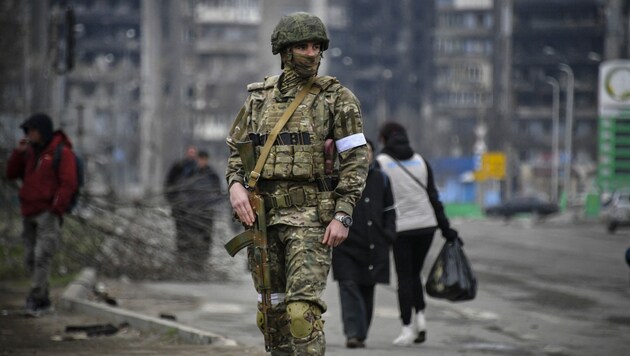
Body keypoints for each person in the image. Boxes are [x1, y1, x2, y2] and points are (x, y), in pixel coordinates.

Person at [226, 12, 369, 355]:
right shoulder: (259, 98)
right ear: (284, 51)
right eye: (303, 46)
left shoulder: (337, 98)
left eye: (316, 46)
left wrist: (343, 214)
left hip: (311, 221)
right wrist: (235, 185)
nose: (311, 52)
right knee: (271, 314)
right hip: (264, 221)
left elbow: (357, 161)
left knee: (301, 314)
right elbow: (237, 154)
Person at [375, 122, 460, 346]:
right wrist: (446, 229)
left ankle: (406, 328)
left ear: (383, 139)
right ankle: (421, 320)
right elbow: (434, 197)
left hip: (401, 228)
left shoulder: (382, 163)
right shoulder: (421, 161)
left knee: (404, 277)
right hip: (426, 226)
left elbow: (378, 199)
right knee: (415, 275)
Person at [6, 113, 78, 314]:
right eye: (27, 131)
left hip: (48, 213)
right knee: (29, 257)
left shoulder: (61, 153)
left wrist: (56, 207)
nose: (29, 134)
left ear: (42, 131)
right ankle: (43, 299)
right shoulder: (29, 153)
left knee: (42, 256)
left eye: (33, 130)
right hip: (29, 212)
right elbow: (11, 173)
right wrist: (18, 153)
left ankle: (35, 298)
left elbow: (68, 183)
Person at [331, 139, 396, 349]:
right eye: (360, 151)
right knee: (348, 285)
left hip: (374, 245)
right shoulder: (340, 177)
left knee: (367, 288)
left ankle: (361, 333)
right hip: (346, 244)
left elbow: (390, 211)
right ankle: (353, 333)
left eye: (368, 151)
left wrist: (388, 234)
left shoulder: (382, 179)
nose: (364, 155)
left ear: (373, 154)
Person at [183, 150, 222, 272]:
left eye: (204, 159)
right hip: (193, 210)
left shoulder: (212, 174)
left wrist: (211, 204)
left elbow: (218, 192)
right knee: (192, 236)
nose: (202, 161)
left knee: (206, 237)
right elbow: (184, 190)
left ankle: (202, 262)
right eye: (200, 159)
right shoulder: (191, 173)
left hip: (207, 211)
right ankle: (192, 262)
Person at [164, 145, 200, 273]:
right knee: (181, 234)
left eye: (193, 152)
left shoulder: (199, 168)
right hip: (180, 207)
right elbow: (169, 185)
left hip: (195, 209)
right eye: (190, 152)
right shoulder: (178, 167)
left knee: (195, 235)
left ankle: (194, 262)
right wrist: (173, 201)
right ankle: (182, 260)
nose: (191, 154)